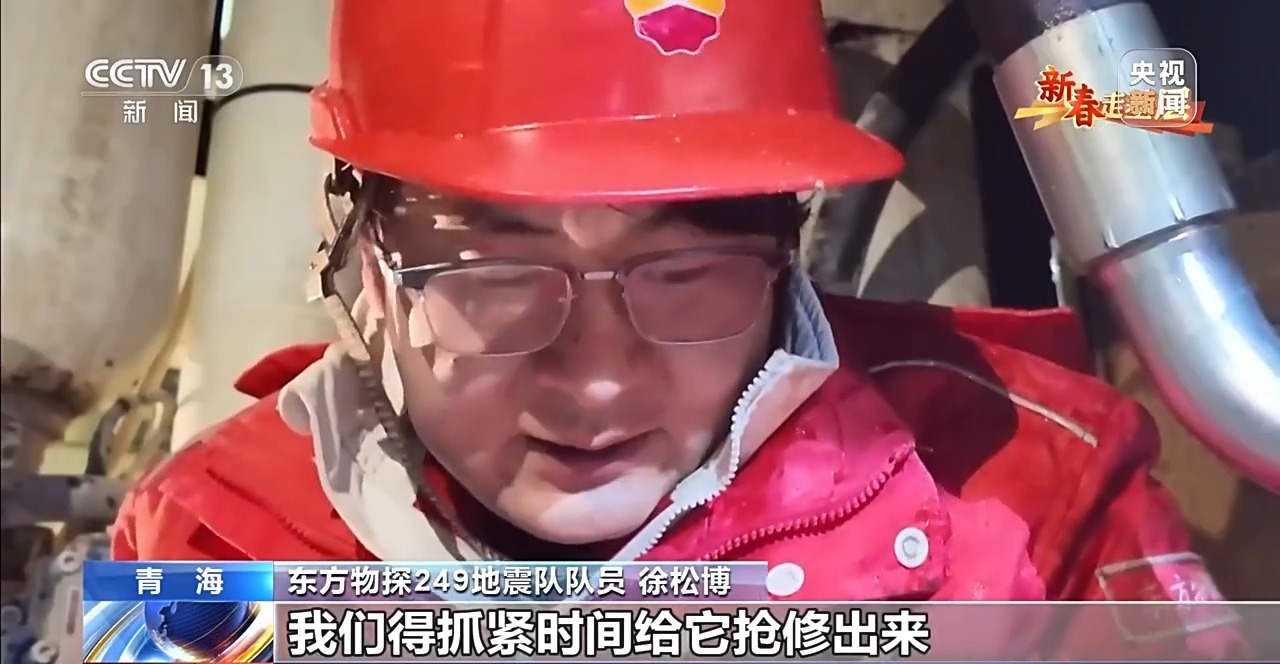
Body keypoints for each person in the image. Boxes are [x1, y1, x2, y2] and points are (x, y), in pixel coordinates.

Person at [112, 0, 1246, 658]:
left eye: (686, 276)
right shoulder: (216, 538)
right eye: (496, 278)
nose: (597, 383)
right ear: (361, 257)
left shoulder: (1031, 484)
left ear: (784, 250)